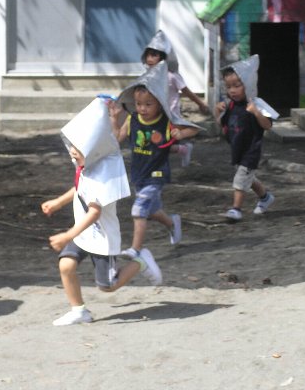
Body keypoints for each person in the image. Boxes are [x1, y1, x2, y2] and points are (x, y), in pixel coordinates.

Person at [41, 97, 162, 326]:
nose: (72, 152)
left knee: (107, 285)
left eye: (78, 148)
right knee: (66, 265)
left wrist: (68, 235)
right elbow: (79, 188)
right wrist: (58, 202)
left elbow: (95, 212)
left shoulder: (102, 174)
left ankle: (140, 261)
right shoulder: (86, 165)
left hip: (101, 237)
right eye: (71, 146)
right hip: (82, 230)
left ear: (94, 149)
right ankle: (79, 310)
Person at [110, 61, 201, 259]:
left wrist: (179, 134)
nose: (142, 108)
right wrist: (114, 119)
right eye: (139, 104)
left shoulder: (165, 121)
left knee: (138, 210)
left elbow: (193, 128)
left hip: (157, 173)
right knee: (151, 211)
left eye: (148, 104)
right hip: (139, 173)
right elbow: (117, 139)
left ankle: (135, 250)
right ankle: (171, 223)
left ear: (160, 102)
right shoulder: (132, 119)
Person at [214, 55, 275, 221]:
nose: (232, 90)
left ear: (247, 84)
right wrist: (218, 111)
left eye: (237, 85)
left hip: (251, 150)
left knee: (241, 180)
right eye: (228, 87)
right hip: (237, 149)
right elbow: (222, 125)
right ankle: (265, 197)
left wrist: (256, 112)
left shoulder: (255, 104)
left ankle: (236, 209)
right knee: (249, 178)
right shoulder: (231, 105)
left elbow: (267, 125)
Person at [141, 30, 209, 167]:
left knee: (160, 143)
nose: (149, 58)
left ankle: (179, 151)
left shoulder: (171, 77)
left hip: (170, 116)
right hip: (154, 114)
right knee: (153, 143)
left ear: (162, 58)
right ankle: (182, 149)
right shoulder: (147, 77)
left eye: (154, 55)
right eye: (148, 54)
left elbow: (187, 92)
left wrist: (200, 104)